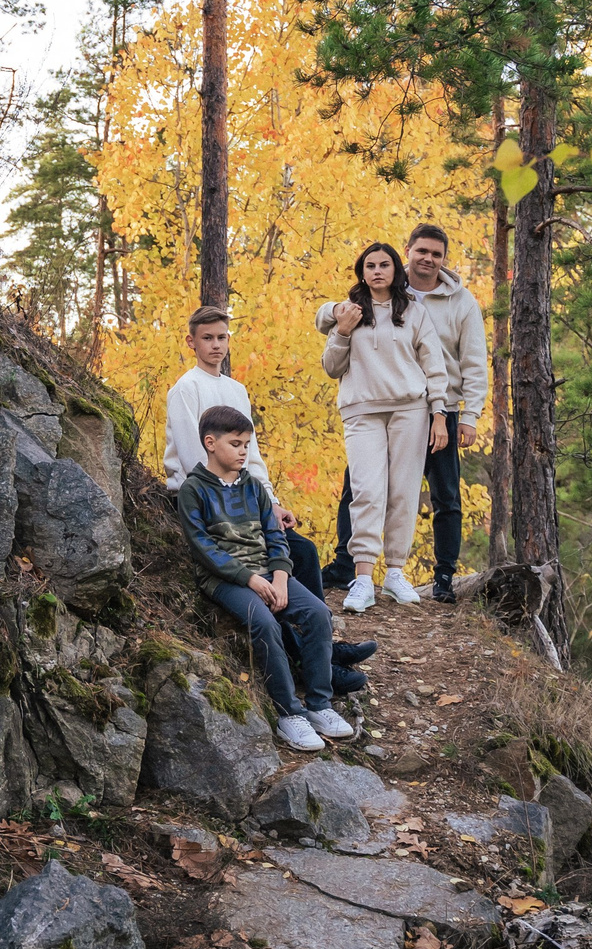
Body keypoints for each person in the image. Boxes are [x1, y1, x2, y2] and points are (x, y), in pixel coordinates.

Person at [164, 305, 376, 695]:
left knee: (303, 551)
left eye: (222, 337)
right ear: (191, 342)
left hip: (244, 494)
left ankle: (324, 648)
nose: (215, 345)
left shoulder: (236, 390)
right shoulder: (185, 389)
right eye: (207, 338)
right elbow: (196, 455)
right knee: (276, 567)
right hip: (207, 500)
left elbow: (251, 455)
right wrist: (236, 497)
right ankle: (313, 662)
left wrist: (271, 503)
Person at [323, 225, 492, 602]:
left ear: (443, 259)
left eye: (436, 254)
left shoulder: (460, 302)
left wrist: (468, 415)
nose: (428, 258)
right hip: (374, 406)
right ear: (408, 253)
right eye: (422, 251)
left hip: (439, 407)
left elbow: (473, 361)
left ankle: (443, 576)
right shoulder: (376, 292)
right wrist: (334, 314)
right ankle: (348, 567)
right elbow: (331, 323)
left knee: (441, 494)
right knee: (360, 488)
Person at [175, 403, 357, 751]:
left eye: (246, 444)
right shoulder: (193, 490)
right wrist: (250, 579)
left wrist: (280, 578)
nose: (243, 451)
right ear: (210, 443)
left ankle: (320, 705)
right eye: (235, 444)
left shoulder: (254, 486)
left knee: (318, 613)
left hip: (268, 573)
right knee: (265, 623)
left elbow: (276, 537)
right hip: (225, 580)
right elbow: (204, 549)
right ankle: (289, 713)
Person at [320, 241, 448, 612]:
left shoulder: (414, 312)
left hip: (411, 410)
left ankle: (394, 573)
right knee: (366, 491)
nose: (377, 271)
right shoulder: (349, 312)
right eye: (370, 266)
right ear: (362, 272)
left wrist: (439, 413)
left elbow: (434, 365)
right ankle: (362, 579)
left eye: (384, 265)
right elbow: (331, 367)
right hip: (361, 411)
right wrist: (342, 329)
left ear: (396, 270)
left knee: (404, 492)